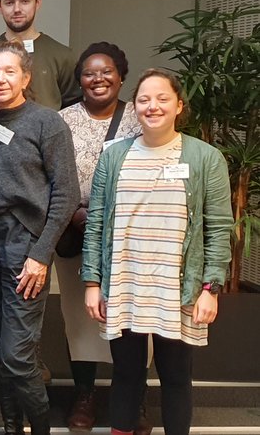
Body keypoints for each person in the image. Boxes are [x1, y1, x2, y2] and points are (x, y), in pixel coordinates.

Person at [82, 68, 233, 435]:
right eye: (144, 99)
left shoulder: (205, 158)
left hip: (177, 288)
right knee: (126, 374)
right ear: (134, 107)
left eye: (162, 98)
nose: (153, 106)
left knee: (177, 377)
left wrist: (211, 289)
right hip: (125, 284)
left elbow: (218, 228)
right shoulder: (114, 156)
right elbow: (96, 221)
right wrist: (92, 281)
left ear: (179, 105)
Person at [0, 41, 79, 435]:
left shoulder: (48, 123)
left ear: (25, 78)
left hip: (24, 245)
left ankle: (40, 429)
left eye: (9, 71)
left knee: (18, 356)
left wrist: (41, 253)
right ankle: (13, 426)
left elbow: (66, 195)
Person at [56, 42, 143, 431]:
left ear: (121, 75)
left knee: (132, 320)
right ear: (80, 80)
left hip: (128, 238)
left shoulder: (138, 120)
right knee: (80, 317)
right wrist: (75, 214)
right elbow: (51, 176)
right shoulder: (62, 121)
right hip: (75, 230)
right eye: (89, 73)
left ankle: (133, 399)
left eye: (106, 71)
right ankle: (85, 393)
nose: (98, 79)